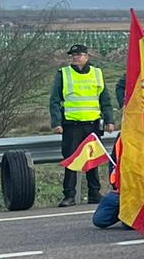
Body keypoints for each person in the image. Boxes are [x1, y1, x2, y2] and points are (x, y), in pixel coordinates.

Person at [50, 43, 117, 208]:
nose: (75, 58)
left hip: (93, 125)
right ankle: (69, 195)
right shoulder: (64, 74)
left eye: (78, 55)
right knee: (71, 160)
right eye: (73, 55)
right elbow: (55, 100)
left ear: (87, 56)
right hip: (72, 125)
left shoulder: (96, 73)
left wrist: (109, 120)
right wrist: (56, 122)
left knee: (92, 160)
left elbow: (105, 99)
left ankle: (94, 193)